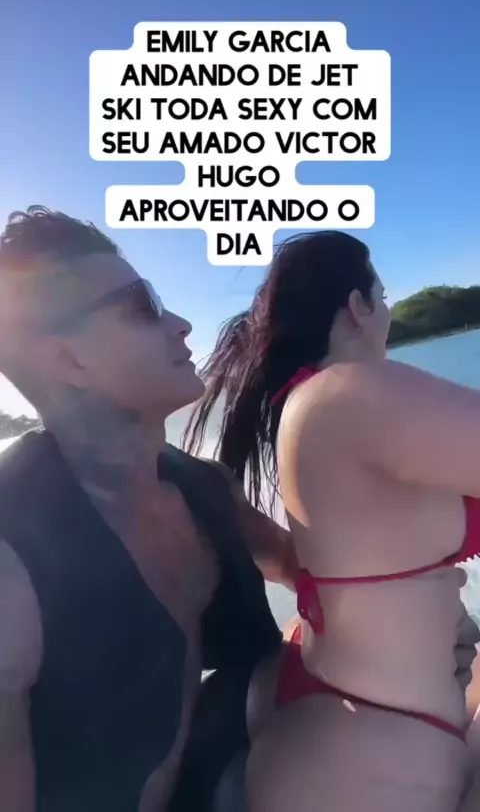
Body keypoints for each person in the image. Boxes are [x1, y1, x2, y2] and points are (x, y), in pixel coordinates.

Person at [0, 206, 299, 812]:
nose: (182, 325)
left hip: (215, 776)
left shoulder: (204, 488)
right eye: (144, 306)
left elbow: (308, 571)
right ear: (69, 362)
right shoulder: (13, 565)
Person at [183, 230, 480, 811]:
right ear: (358, 306)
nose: (387, 313)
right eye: (383, 297)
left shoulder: (303, 410)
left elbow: (313, 557)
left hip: (321, 697)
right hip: (384, 738)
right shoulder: (350, 393)